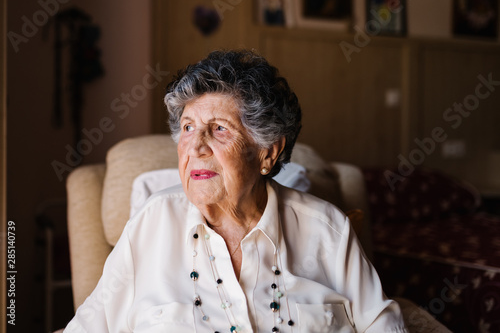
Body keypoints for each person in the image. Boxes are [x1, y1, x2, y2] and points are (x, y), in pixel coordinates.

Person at [64, 50, 407, 332]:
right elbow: (89, 326)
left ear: (267, 152)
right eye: (187, 127)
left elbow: (384, 325)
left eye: (218, 129)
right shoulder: (152, 223)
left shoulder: (327, 230)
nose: (195, 146)